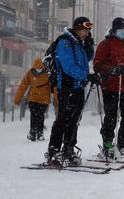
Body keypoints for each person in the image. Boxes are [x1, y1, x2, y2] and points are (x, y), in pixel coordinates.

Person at [45, 17, 96, 167]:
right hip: (67, 87)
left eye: (88, 30)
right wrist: (86, 75)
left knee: (74, 120)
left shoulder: (78, 43)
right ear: (78, 28)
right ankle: (54, 151)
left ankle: (68, 148)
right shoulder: (65, 42)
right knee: (63, 119)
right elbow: (68, 67)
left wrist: (89, 44)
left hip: (78, 87)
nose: (87, 33)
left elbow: (87, 58)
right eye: (85, 30)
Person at [94, 17, 124, 159]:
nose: (123, 33)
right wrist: (112, 69)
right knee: (111, 117)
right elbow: (98, 64)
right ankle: (107, 144)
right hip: (111, 86)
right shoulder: (105, 44)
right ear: (114, 30)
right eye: (120, 30)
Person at [14, 57, 58, 141]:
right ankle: (39, 133)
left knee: (34, 115)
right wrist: (56, 99)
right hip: (43, 100)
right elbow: (54, 87)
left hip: (33, 99)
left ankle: (33, 132)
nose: (38, 70)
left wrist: (17, 98)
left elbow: (23, 86)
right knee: (40, 115)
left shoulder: (30, 73)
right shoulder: (47, 74)